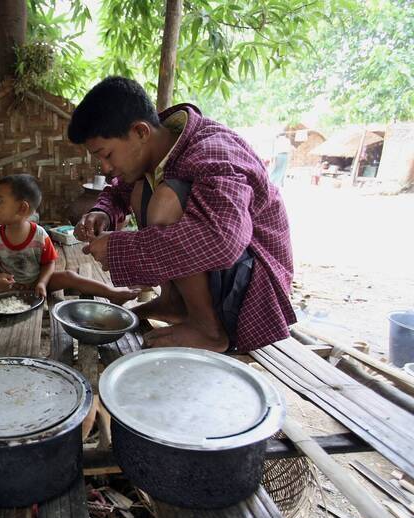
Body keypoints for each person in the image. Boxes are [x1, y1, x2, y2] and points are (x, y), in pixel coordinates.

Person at [68, 76, 295, 353]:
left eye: (107, 155)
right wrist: (101, 212)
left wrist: (119, 248)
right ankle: (174, 302)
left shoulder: (215, 152)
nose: (104, 168)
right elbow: (118, 192)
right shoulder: (157, 149)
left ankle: (208, 330)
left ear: (140, 132)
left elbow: (220, 240)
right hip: (222, 281)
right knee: (142, 189)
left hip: (251, 295)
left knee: (166, 200)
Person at [0, 174, 138, 333]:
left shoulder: (39, 235)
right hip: (8, 286)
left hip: (37, 285)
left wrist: (42, 282)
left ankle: (113, 293)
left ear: (22, 208)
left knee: (69, 276)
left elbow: (49, 263)